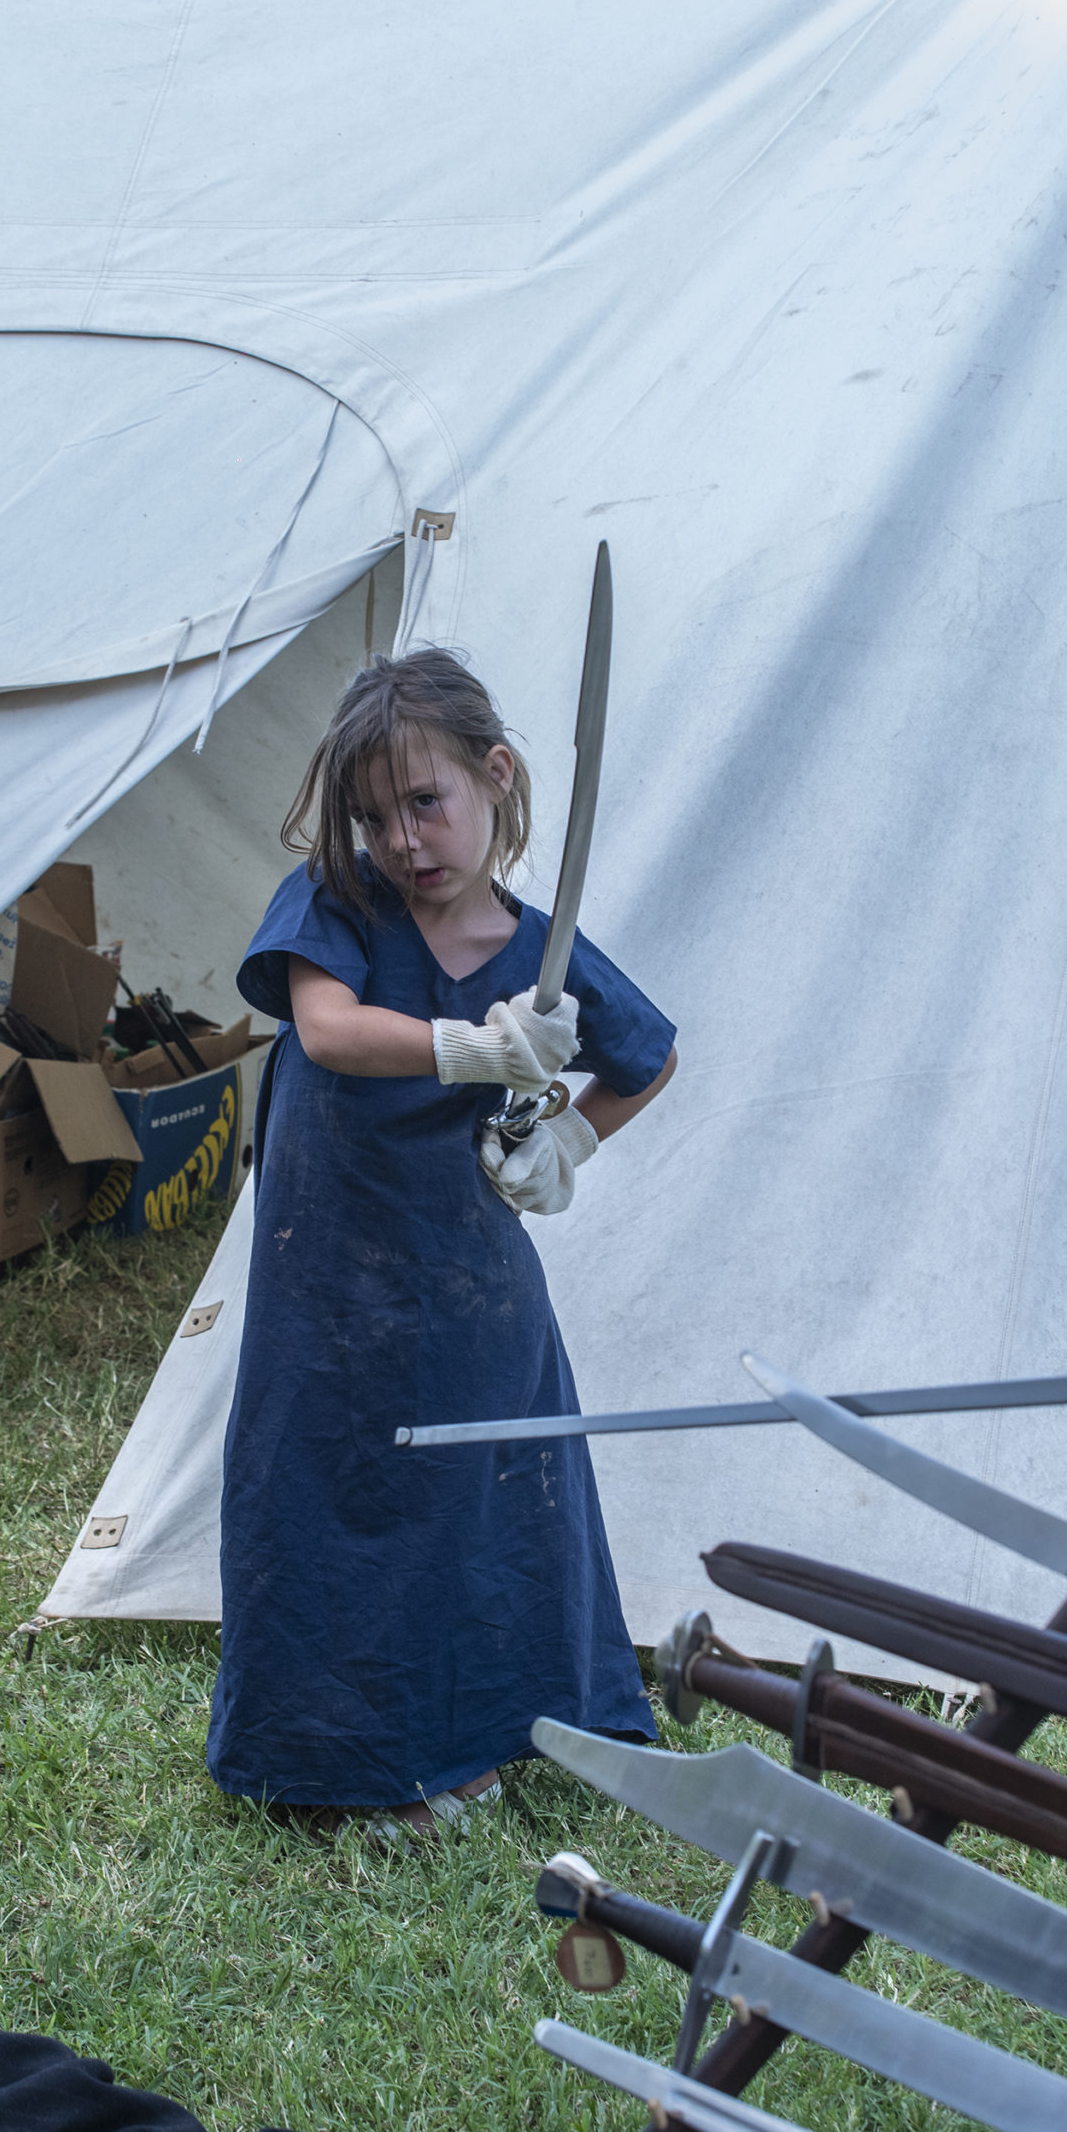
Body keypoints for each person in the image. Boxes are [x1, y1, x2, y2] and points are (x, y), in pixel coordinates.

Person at [206, 648, 678, 1835]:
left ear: (495, 776)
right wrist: (474, 1047)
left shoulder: (542, 955)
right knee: (320, 1486)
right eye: (374, 816)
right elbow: (329, 1032)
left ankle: (472, 1744)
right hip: (326, 1265)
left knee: (480, 1497)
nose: (402, 839)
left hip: (467, 1275)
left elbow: (649, 1056)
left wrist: (564, 1138)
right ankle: (323, 1753)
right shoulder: (336, 903)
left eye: (426, 801)